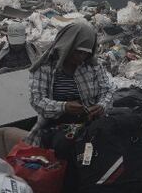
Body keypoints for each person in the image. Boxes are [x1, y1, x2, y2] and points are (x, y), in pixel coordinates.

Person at [27, 19, 113, 147]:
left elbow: (107, 89)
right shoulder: (45, 68)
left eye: (85, 53)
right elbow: (37, 100)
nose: (81, 57)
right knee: (64, 145)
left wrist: (101, 106)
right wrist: (64, 107)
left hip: (90, 121)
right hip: (56, 125)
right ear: (67, 46)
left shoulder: (92, 66)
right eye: (78, 52)